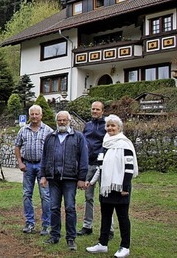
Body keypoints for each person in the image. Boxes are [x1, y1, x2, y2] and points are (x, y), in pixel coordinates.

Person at [86, 115, 138, 258]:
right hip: (106, 188)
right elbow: (100, 167)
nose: (110, 128)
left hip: (120, 188)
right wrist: (91, 182)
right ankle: (102, 244)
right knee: (105, 217)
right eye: (108, 126)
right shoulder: (105, 144)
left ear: (119, 128)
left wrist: (125, 188)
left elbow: (129, 168)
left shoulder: (124, 144)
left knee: (123, 217)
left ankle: (125, 246)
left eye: (113, 126)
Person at [39, 110, 89, 251]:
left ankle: (71, 238)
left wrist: (81, 178)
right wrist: (43, 175)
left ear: (69, 121)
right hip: (53, 178)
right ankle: (54, 236)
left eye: (64, 120)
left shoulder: (78, 137)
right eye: (59, 120)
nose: (61, 122)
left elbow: (84, 159)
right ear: (56, 121)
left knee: (70, 208)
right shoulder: (50, 137)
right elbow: (44, 158)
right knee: (54, 208)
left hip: (70, 179)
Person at [14, 104, 53, 235]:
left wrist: (48, 168)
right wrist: (20, 162)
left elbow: (53, 150)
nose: (35, 116)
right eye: (32, 114)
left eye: (37, 114)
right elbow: (17, 146)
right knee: (26, 195)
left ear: (41, 115)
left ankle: (46, 225)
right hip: (28, 166)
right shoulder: (23, 130)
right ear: (29, 115)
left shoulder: (48, 130)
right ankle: (29, 223)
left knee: (46, 196)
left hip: (43, 166)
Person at [81, 101, 114, 238]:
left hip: (103, 166)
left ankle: (109, 228)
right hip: (89, 164)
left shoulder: (107, 126)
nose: (94, 111)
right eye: (93, 109)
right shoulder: (87, 125)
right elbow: (83, 143)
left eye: (97, 109)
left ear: (102, 111)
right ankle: (87, 226)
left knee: (106, 197)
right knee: (88, 197)